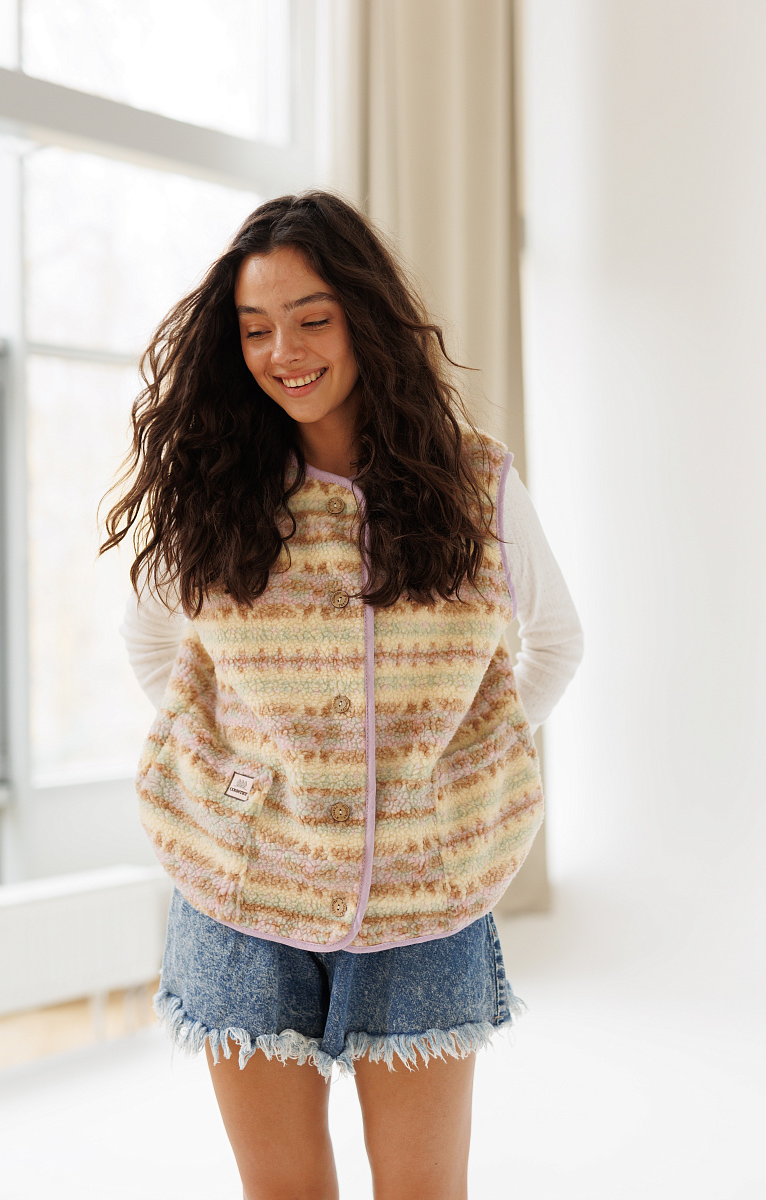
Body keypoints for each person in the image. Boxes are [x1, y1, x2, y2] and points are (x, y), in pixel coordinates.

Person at [101, 190, 582, 1200]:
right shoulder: (210, 492)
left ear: (364, 316)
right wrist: (235, 771)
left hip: (423, 900)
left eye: (311, 318)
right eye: (254, 328)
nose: (283, 351)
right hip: (242, 893)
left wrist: (463, 764)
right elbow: (152, 646)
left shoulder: (474, 485)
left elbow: (553, 644)